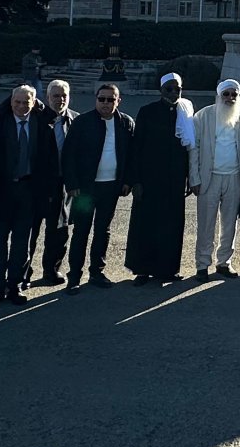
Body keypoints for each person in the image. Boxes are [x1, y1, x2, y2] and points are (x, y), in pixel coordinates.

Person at [0, 85, 59, 308]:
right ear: (10, 102)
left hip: (29, 191)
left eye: (26, 102)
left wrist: (48, 194)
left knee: (22, 243)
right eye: (17, 102)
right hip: (0, 192)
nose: (21, 107)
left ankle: (15, 285)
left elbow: (51, 163)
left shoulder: (42, 124)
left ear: (34, 102)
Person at [62, 83, 133, 292]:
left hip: (110, 188)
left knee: (103, 230)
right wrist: (72, 184)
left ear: (118, 101)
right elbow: (69, 155)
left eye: (110, 99)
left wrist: (127, 181)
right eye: (101, 99)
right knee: (81, 230)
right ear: (96, 99)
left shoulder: (126, 123)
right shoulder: (82, 122)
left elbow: (131, 156)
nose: (105, 103)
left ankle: (97, 271)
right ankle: (74, 275)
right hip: (85, 189)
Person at [126, 73, 193, 284]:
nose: (174, 93)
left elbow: (191, 150)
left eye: (177, 89)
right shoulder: (147, 111)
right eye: (169, 89)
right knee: (146, 225)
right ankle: (142, 270)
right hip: (149, 180)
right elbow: (136, 148)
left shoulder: (186, 113)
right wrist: (135, 180)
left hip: (174, 180)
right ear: (161, 90)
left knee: (172, 226)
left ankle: (168, 269)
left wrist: (190, 178)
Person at [191, 79, 240, 281]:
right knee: (205, 223)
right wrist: (194, 178)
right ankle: (202, 264)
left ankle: (224, 262)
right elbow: (194, 148)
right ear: (219, 95)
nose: (230, 98)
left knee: (230, 223)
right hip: (210, 177)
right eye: (226, 94)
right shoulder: (204, 115)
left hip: (234, 177)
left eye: (234, 94)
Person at [25, 78, 75, 289]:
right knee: (30, 233)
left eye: (64, 95)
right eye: (56, 95)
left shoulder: (75, 120)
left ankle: (52, 269)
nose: (60, 99)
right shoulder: (35, 118)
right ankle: (23, 273)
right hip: (38, 186)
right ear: (46, 97)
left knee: (59, 232)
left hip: (64, 186)